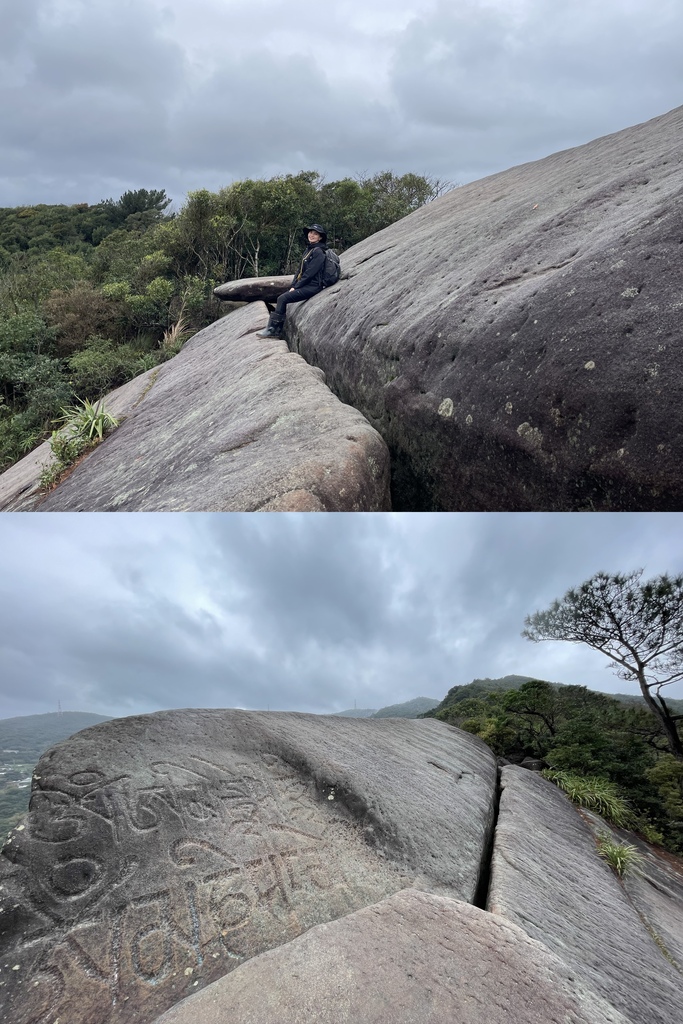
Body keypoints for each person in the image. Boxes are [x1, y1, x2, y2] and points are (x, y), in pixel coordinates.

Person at [256, 224, 328, 338]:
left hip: (313, 286)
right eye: (310, 232)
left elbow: (310, 273)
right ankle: (274, 329)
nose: (312, 235)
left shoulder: (319, 252)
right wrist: (293, 285)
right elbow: (299, 270)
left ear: (320, 238)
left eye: (315, 234)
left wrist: (298, 286)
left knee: (282, 298)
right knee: (284, 296)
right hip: (306, 285)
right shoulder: (309, 249)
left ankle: (273, 330)